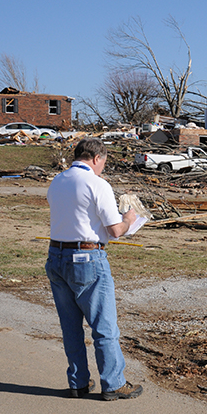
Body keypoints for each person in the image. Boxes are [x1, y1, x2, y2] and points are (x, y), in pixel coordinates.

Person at [45, 138, 143, 400]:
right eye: (104, 163)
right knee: (104, 325)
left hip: (56, 254)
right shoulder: (97, 184)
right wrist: (129, 220)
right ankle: (113, 383)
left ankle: (78, 381)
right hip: (87, 257)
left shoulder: (57, 181)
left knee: (71, 326)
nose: (103, 168)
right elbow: (114, 231)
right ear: (97, 158)